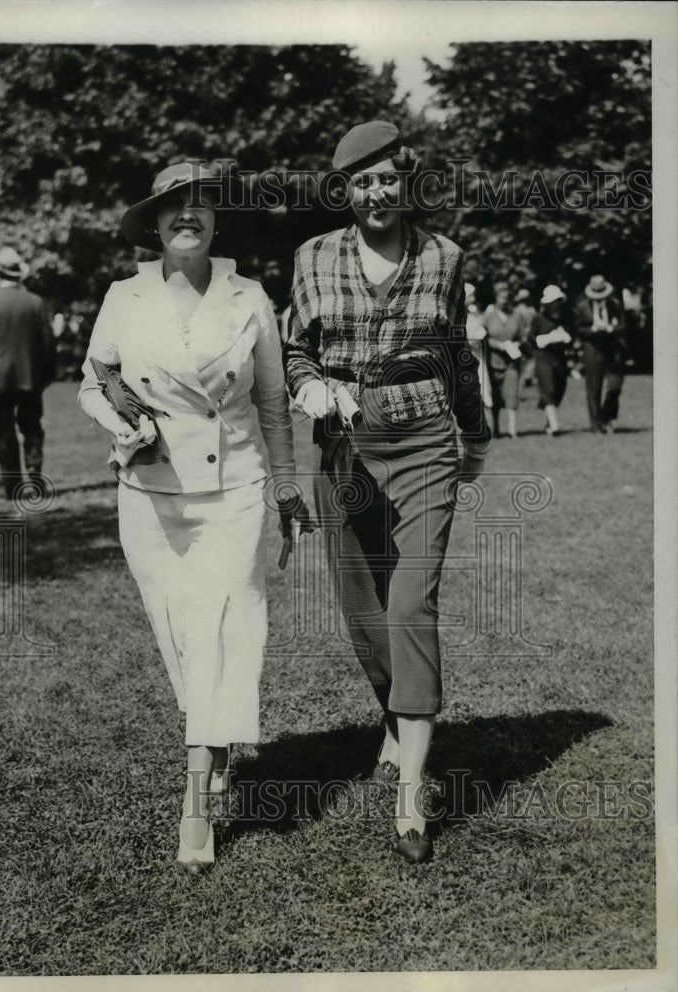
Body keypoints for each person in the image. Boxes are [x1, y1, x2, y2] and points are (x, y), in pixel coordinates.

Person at [78, 161, 305, 874]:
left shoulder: (249, 295)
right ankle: (212, 741)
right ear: (153, 224)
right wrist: (121, 424)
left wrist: (287, 485)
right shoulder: (124, 296)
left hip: (235, 487)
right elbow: (94, 380)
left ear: (216, 220)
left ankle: (195, 799)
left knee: (223, 626)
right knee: (182, 638)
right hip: (150, 493)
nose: (188, 216)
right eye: (174, 207)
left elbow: (271, 399)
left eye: (202, 206)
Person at [284, 121, 490, 864]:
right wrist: (310, 390)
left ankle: (410, 798)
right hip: (344, 446)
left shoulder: (443, 258)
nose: (376, 193)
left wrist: (477, 435)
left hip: (426, 439)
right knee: (365, 613)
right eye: (361, 182)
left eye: (388, 179)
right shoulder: (312, 257)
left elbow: (456, 349)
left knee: (410, 605)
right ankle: (395, 718)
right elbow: (294, 351)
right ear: (345, 191)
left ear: (407, 183)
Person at [0, 247, 55, 498]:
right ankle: (34, 468)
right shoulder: (35, 302)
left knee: (4, 432)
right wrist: (47, 374)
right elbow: (48, 343)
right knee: (32, 427)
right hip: (29, 376)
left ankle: (12, 486)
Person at [573, 274, 625, 433]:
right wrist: (592, 330)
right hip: (592, 348)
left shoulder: (615, 305)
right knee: (594, 387)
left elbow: (623, 325)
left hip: (611, 347)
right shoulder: (582, 307)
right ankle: (595, 424)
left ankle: (607, 415)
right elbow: (578, 328)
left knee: (615, 385)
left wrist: (612, 328)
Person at [529, 285, 572, 436]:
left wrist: (564, 338)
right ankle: (554, 425)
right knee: (548, 388)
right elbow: (531, 339)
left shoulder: (563, 318)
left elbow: (570, 338)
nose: (556, 305)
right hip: (544, 358)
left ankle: (549, 421)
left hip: (559, 358)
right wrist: (547, 339)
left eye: (558, 301)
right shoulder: (538, 318)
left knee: (559, 388)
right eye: (554, 302)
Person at [482, 282, 523, 438]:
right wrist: (498, 345)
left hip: (512, 361)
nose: (505, 301)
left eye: (507, 298)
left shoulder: (516, 316)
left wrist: (514, 345)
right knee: (495, 397)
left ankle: (512, 429)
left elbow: (521, 337)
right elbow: (482, 336)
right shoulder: (489, 316)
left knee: (511, 394)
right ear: (496, 298)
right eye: (502, 297)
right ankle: (496, 429)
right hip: (493, 361)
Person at [465, 282, 493, 433]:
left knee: (482, 389)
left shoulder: (475, 314)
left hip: (477, 356)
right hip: (463, 357)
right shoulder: (455, 314)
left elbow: (481, 329)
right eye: (471, 296)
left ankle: (484, 426)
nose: (473, 298)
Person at [514, 288, 537, 393]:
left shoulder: (516, 310)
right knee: (531, 358)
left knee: (522, 362)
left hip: (520, 338)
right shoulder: (531, 310)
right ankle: (527, 377)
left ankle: (522, 382)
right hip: (528, 338)